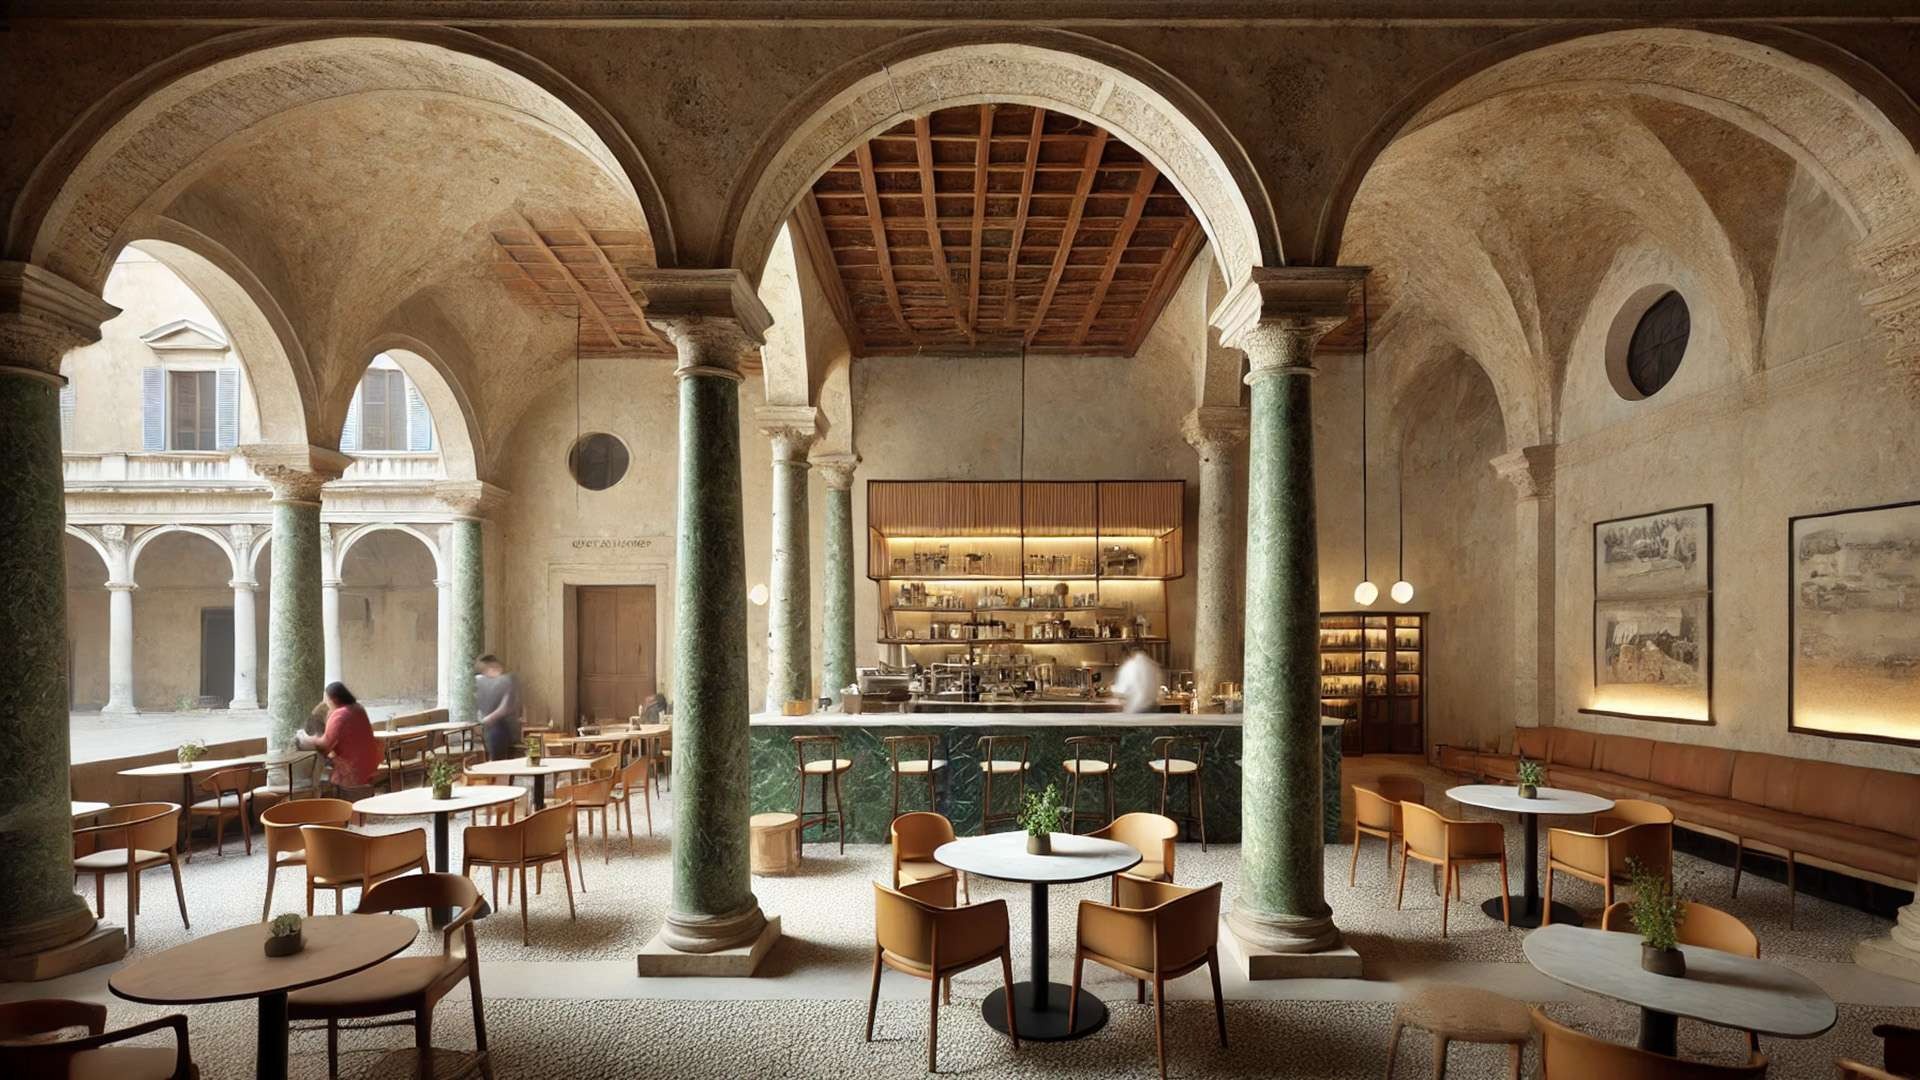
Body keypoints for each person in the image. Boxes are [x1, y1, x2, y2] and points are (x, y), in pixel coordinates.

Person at [297, 682, 382, 790]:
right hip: (370, 764)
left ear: (334, 699)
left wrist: (306, 738)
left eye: (326, 699)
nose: (326, 703)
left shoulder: (340, 714)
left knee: (319, 778)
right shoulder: (358, 708)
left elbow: (325, 746)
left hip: (353, 770)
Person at [474, 653, 523, 760]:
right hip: (493, 727)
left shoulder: (506, 680)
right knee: (500, 760)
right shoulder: (482, 682)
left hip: (501, 727)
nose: (486, 672)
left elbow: (506, 706)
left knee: (499, 761)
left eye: (487, 668)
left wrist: (488, 719)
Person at [1112, 650, 1165, 714]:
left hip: (1136, 709)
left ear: (1129, 655)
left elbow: (1121, 691)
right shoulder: (1154, 666)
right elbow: (1158, 688)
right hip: (1153, 708)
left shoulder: (1129, 666)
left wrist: (1113, 689)